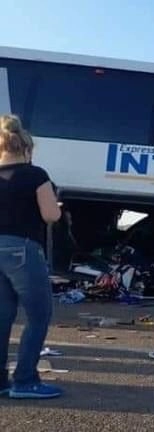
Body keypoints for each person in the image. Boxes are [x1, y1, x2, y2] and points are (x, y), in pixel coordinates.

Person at [0, 114, 62, 399]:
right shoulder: (35, 175)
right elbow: (51, 215)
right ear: (26, 148)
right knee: (38, 315)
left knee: (2, 316)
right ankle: (25, 380)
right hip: (22, 249)